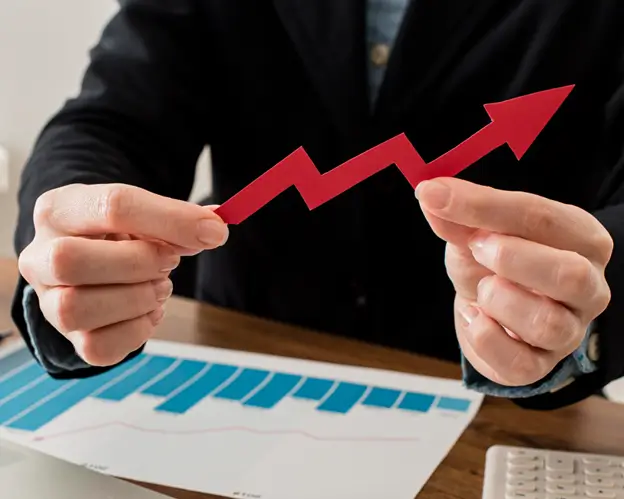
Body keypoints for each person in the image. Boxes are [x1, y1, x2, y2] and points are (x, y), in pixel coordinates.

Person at [12, 0, 623, 410]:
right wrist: (77, 239)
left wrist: (570, 317)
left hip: (490, 404)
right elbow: (113, 119)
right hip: (239, 359)